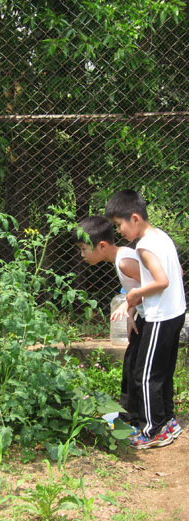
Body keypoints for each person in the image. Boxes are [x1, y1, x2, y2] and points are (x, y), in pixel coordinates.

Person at [105, 190, 186, 449]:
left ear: (135, 218)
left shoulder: (144, 245)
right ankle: (167, 421)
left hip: (160, 317)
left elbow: (162, 281)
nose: (119, 232)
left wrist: (136, 293)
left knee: (145, 374)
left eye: (120, 225)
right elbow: (179, 271)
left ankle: (153, 430)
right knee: (162, 372)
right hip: (176, 313)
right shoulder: (161, 236)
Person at [74, 215, 142, 428]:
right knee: (131, 365)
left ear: (101, 246)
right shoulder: (122, 258)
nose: (82, 255)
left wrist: (128, 302)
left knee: (140, 371)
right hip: (144, 317)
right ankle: (128, 415)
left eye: (84, 249)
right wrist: (132, 314)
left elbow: (153, 284)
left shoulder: (124, 261)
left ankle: (140, 420)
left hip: (157, 318)